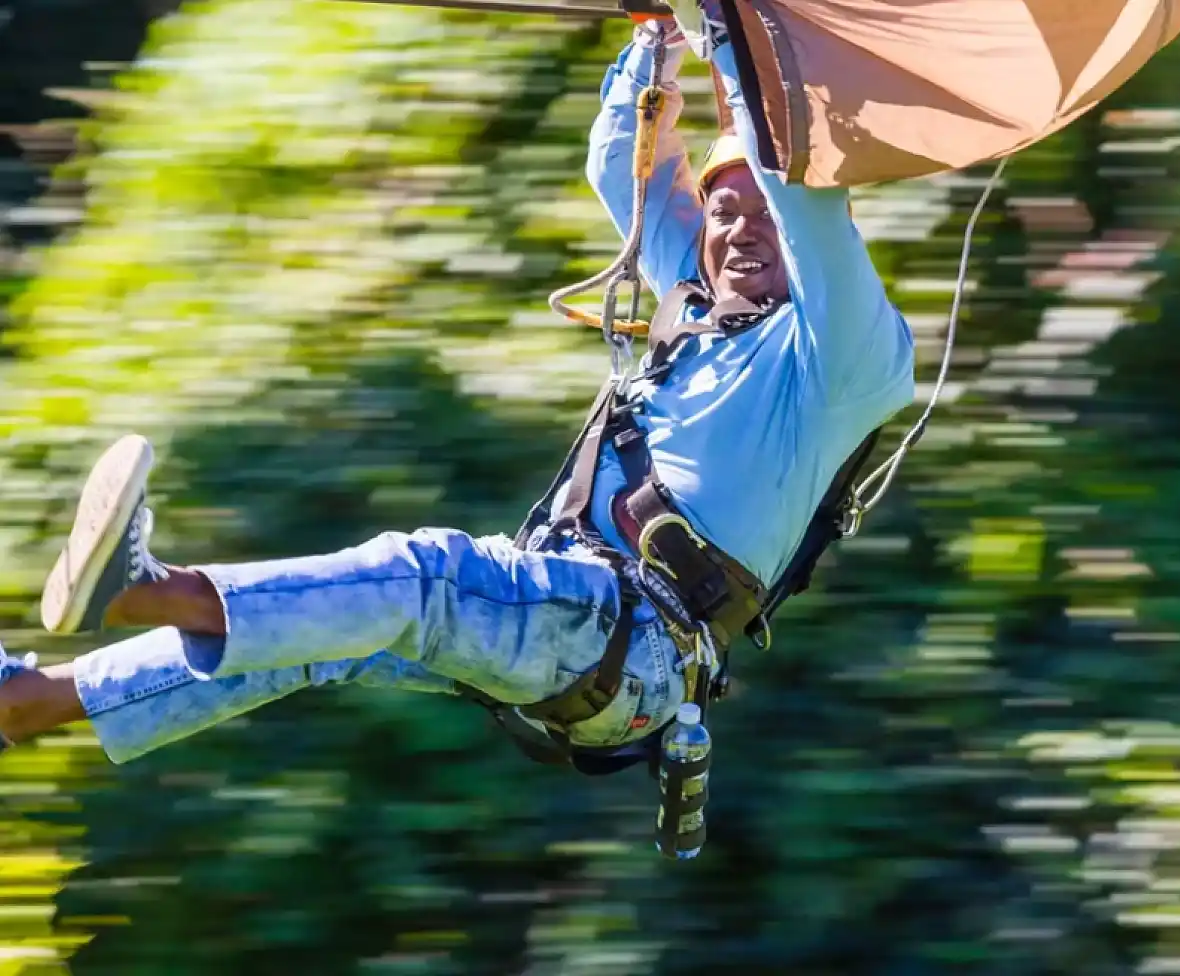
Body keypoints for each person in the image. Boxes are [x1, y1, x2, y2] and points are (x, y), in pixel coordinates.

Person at [0, 11, 914, 765]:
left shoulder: (844, 358)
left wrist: (731, 32)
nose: (740, 229)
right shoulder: (701, 305)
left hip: (630, 641)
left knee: (423, 574)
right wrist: (659, 41)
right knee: (329, 636)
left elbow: (808, 204)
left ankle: (152, 589)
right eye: (722, 210)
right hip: (574, 604)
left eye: (761, 215)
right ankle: (37, 702)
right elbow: (617, 157)